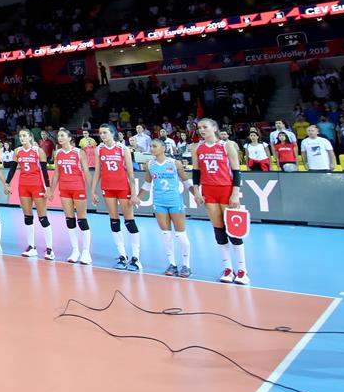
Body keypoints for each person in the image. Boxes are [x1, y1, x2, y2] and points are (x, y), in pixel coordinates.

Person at [189, 117, 248, 285]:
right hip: (209, 191)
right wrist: (196, 191)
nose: (202, 130)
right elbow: (196, 171)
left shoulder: (226, 145)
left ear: (214, 128)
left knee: (233, 230)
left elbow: (236, 171)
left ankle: (242, 270)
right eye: (200, 128)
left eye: (205, 127)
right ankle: (228, 268)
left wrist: (235, 193)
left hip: (226, 190)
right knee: (219, 229)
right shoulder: (197, 148)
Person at [90, 123, 140, 270]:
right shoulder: (99, 149)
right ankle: (122, 256)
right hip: (108, 188)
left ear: (112, 133)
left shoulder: (123, 149)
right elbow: (98, 171)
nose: (102, 135)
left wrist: (134, 193)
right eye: (100, 133)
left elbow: (130, 173)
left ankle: (136, 258)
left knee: (129, 221)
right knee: (114, 220)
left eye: (105, 132)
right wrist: (93, 191)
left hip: (123, 187)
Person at [144, 138, 190, 277]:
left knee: (180, 234)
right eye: (151, 146)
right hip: (159, 203)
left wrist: (197, 194)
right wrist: (137, 197)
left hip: (175, 202)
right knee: (166, 234)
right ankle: (172, 264)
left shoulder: (174, 163)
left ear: (163, 148)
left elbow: (186, 181)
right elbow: (147, 184)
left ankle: (186, 265)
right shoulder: (150, 164)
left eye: (155, 146)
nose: (152, 149)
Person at [4, 129, 52, 259]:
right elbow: (12, 169)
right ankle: (31, 246)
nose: (22, 138)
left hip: (37, 186)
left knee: (43, 217)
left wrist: (48, 188)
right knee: (27, 216)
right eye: (20, 136)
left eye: (24, 136)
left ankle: (50, 249)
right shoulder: (17, 151)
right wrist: (7, 183)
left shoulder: (38, 151)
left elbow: (44, 172)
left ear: (30, 137)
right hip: (23, 186)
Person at [49, 127, 91, 264]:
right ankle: (75, 250)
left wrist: (93, 191)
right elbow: (56, 174)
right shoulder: (58, 153)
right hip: (64, 189)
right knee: (70, 219)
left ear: (69, 138)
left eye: (62, 135)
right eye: (58, 136)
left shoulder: (79, 152)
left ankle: (86, 252)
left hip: (78, 188)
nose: (60, 138)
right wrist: (51, 191)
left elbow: (87, 172)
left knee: (82, 219)